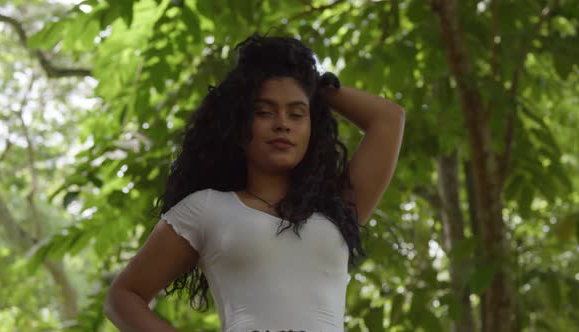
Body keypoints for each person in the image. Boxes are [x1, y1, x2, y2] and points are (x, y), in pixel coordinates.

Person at [104, 31, 405, 332]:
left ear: (313, 127)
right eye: (264, 112)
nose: (282, 124)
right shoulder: (206, 208)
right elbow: (123, 296)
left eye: (297, 114)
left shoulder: (338, 208)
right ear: (240, 122)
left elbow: (389, 119)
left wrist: (313, 86)